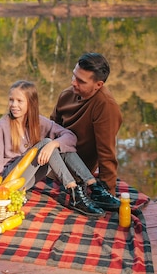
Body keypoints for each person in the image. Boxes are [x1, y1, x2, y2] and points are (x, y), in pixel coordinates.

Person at [0, 80, 119, 217]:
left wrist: (54, 144)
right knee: (47, 142)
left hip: (26, 180)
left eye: (19, 101)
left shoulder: (38, 122)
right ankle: (73, 191)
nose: (14, 105)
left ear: (31, 103)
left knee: (59, 144)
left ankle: (93, 187)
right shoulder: (3, 125)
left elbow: (69, 136)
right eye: (11, 100)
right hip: (8, 181)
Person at [50, 52, 123, 204]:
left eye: (81, 81)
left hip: (75, 171)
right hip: (50, 159)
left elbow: (106, 153)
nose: (73, 83)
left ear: (98, 85)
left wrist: (107, 193)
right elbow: (50, 128)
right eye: (74, 76)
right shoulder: (66, 95)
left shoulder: (106, 106)